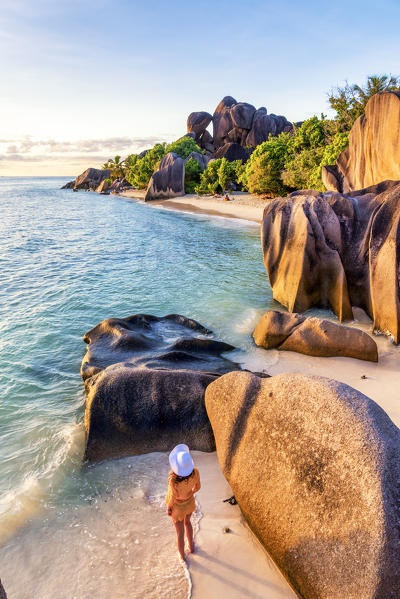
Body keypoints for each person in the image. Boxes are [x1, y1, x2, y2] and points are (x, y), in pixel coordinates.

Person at [165, 444, 201, 561]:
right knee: (188, 523)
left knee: (180, 533)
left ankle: (182, 557)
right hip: (189, 503)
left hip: (178, 508)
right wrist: (189, 493)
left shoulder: (173, 480)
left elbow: (172, 496)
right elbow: (197, 487)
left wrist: (169, 508)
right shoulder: (195, 472)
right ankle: (191, 548)